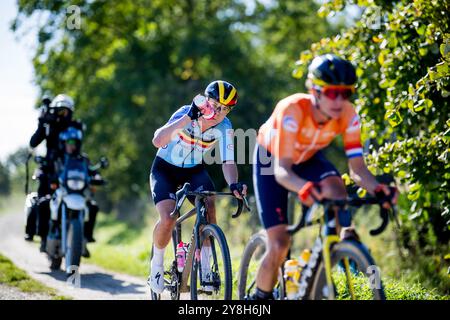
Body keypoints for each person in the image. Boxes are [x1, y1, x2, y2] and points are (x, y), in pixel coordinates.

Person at [251, 54, 398, 300]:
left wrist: (379, 190)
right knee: (279, 244)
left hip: (307, 157)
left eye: (346, 92)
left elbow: (358, 170)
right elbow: (282, 171)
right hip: (273, 158)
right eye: (331, 93)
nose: (339, 100)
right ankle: (258, 299)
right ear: (315, 90)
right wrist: (304, 188)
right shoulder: (293, 110)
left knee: (337, 190)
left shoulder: (349, 115)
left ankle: (334, 250)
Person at [148, 80, 248, 294]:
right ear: (205, 101)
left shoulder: (225, 126)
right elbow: (157, 140)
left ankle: (206, 266)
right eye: (214, 105)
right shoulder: (186, 112)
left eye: (225, 109)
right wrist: (187, 118)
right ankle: (156, 263)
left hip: (193, 170)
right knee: (168, 218)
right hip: (164, 169)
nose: (218, 112)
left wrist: (233, 184)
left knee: (210, 205)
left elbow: (228, 161)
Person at [27, 94, 84, 252]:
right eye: (60, 111)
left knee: (90, 203)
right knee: (42, 202)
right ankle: (44, 238)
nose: (62, 115)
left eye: (66, 112)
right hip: (50, 169)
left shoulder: (75, 126)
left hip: (70, 170)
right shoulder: (48, 125)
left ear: (71, 112)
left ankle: (81, 239)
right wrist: (41, 123)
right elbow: (33, 142)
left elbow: (78, 148)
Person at [49, 126, 102, 257]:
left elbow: (91, 171)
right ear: (63, 143)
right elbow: (51, 170)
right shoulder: (59, 158)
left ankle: (86, 237)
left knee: (93, 207)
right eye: (69, 142)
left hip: (79, 192)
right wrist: (50, 177)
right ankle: (52, 231)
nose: (72, 146)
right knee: (48, 204)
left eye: (75, 143)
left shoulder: (83, 159)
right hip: (63, 191)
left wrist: (97, 177)